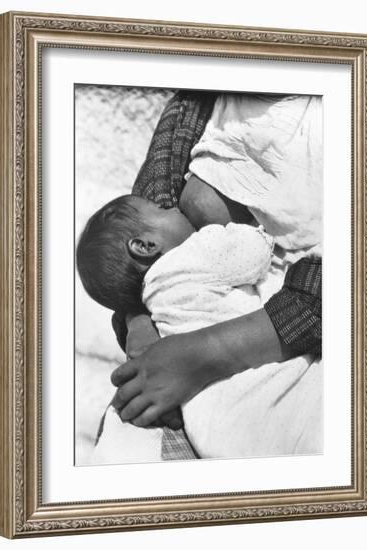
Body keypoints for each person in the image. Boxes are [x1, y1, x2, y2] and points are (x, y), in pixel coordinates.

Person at [107, 91, 322, 457]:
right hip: (193, 382)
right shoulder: (195, 103)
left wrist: (206, 353)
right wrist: (139, 321)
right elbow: (147, 214)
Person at [77, 194, 321, 462]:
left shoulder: (153, 301)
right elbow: (254, 250)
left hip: (220, 434)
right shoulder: (194, 253)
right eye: (162, 208)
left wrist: (135, 318)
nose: (172, 204)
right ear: (145, 246)